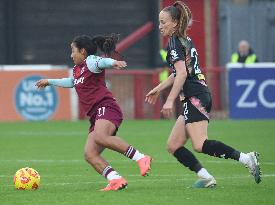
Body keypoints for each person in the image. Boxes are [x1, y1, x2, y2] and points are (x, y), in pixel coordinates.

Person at [145, 1, 261, 188]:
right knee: (173, 145)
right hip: (195, 95)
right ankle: (207, 178)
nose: (160, 26)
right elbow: (179, 73)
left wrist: (169, 100)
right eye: (159, 22)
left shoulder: (175, 43)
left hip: (195, 97)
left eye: (163, 22)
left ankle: (247, 158)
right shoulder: (184, 39)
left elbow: (182, 74)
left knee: (200, 144)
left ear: (175, 23)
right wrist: (159, 89)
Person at [36, 34, 152, 191]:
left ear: (83, 51)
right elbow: (71, 82)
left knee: (101, 137)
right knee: (90, 154)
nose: (71, 55)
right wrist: (49, 81)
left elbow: (102, 61)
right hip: (96, 115)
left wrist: (113, 63)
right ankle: (115, 180)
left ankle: (141, 158)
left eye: (73, 50)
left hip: (106, 107)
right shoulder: (78, 69)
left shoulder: (90, 61)